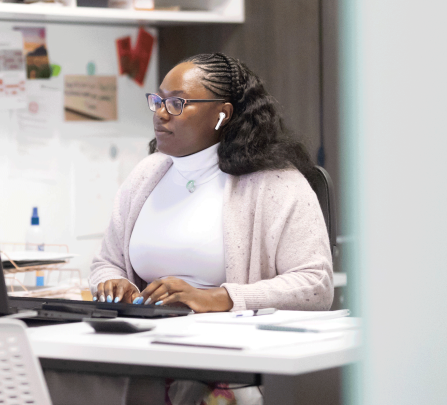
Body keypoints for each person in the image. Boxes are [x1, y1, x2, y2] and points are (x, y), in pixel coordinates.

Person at [84, 53, 333, 404]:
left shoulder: (275, 182)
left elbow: (314, 285)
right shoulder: (147, 174)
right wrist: (116, 283)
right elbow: (104, 263)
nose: (161, 112)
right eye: (158, 101)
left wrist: (220, 297)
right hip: (146, 351)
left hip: (229, 362)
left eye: (177, 103)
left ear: (223, 114)